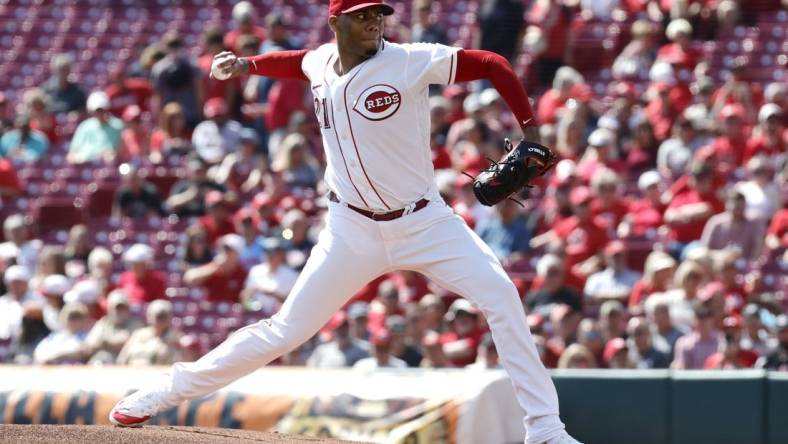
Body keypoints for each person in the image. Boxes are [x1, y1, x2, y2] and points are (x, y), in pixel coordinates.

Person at [111, 2, 580, 443]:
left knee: (501, 295)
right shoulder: (320, 62)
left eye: (378, 13)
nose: (374, 21)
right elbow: (298, 61)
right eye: (361, 15)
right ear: (336, 23)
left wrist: (531, 130)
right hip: (350, 229)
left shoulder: (410, 60)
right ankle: (168, 391)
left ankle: (544, 429)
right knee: (286, 330)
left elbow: (493, 63)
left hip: (424, 221)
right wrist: (248, 65)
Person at [700, 189, 765, 260]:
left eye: (741, 208)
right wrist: (722, 255)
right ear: (727, 206)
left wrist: (750, 263)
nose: (738, 211)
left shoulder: (754, 223)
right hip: (718, 263)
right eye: (736, 208)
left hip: (744, 265)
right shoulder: (716, 222)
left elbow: (758, 250)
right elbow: (705, 250)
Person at [241, 237, 299, 315]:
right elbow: (243, 297)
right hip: (255, 314)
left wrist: (273, 294)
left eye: (274, 252)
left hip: (279, 316)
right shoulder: (256, 270)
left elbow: (295, 303)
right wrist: (252, 291)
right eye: (267, 252)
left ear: (281, 254)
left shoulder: (291, 275)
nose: (270, 255)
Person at [184, 234, 249, 303]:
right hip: (211, 311)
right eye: (224, 248)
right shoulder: (213, 267)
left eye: (229, 250)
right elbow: (189, 279)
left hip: (232, 312)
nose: (225, 252)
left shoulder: (242, 273)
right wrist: (215, 266)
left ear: (238, 253)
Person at [84, 290, 144, 365]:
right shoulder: (103, 323)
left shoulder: (136, 323)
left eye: (122, 307)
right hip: (100, 362)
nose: (118, 311)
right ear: (109, 308)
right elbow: (90, 345)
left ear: (128, 308)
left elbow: (129, 344)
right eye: (115, 307)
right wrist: (107, 343)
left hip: (125, 365)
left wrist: (105, 343)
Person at [116, 300, 181, 366]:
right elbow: (122, 359)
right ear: (149, 316)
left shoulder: (175, 337)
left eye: (163, 316)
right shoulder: (138, 334)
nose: (160, 320)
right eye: (158, 316)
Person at [68, 91, 124, 164]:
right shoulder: (85, 126)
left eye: (102, 110)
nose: (100, 113)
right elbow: (72, 153)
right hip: (85, 164)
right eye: (97, 111)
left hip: (107, 165)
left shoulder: (118, 126)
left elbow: (121, 151)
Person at [192, 97, 243, 165]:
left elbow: (240, 151)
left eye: (220, 115)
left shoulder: (235, 128)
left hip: (227, 164)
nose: (218, 119)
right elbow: (196, 149)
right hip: (204, 163)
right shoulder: (202, 128)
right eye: (215, 116)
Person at [672, 305, 722, 370]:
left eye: (706, 320)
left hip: (715, 378)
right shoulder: (684, 343)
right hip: (690, 379)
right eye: (700, 319)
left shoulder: (721, 341)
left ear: (712, 321)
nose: (703, 323)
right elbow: (681, 369)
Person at [0, 266, 40, 341]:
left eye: (19, 282)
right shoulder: (2, 301)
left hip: (29, 343)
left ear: (26, 283)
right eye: (12, 282)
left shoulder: (36, 300)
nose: (15, 286)